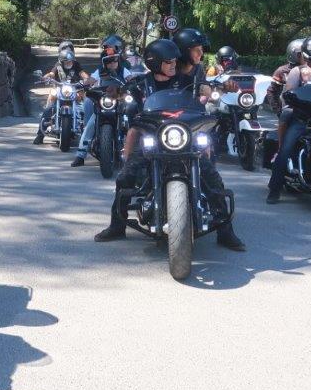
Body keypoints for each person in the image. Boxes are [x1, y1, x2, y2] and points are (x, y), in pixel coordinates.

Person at [93, 38, 245, 251]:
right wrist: (112, 91)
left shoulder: (188, 81)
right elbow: (120, 93)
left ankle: (225, 232)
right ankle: (117, 226)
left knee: (213, 179)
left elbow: (206, 90)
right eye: (168, 62)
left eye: (174, 61)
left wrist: (224, 87)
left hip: (184, 141)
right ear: (155, 63)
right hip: (153, 143)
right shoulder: (141, 84)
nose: (174, 65)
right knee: (125, 177)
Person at [266, 34, 311, 204]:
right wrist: (296, 99)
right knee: (285, 150)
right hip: (305, 119)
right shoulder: (298, 71)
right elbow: (289, 94)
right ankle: (274, 188)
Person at [71, 34, 131, 167]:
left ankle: (136, 152)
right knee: (91, 124)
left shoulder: (124, 69)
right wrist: (82, 83)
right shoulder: (100, 71)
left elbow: (131, 79)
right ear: (104, 61)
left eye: (114, 60)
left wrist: (135, 83)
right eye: (108, 61)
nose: (111, 63)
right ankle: (80, 155)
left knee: (132, 120)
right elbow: (91, 80)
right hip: (105, 102)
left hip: (120, 102)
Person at [33, 44, 91, 144]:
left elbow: (82, 73)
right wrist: (45, 77)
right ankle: (40, 134)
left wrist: (87, 79)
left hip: (74, 90)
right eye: (66, 61)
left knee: (85, 107)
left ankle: (88, 132)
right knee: (48, 109)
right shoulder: (58, 65)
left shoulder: (76, 64)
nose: (68, 62)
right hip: (60, 90)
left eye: (70, 61)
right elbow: (52, 73)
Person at [267, 37, 306, 117]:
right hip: (290, 111)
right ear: (295, 55)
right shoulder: (282, 71)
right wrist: (278, 110)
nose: (306, 56)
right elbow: (272, 91)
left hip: (309, 110)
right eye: (303, 54)